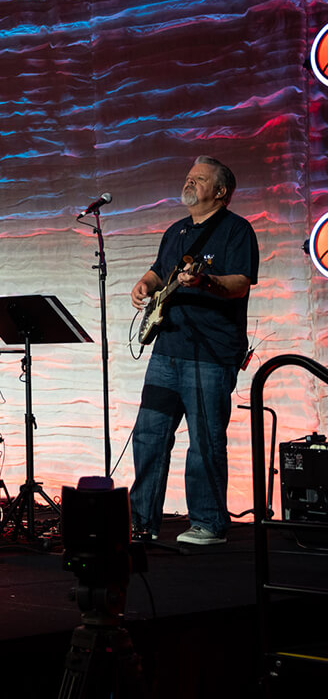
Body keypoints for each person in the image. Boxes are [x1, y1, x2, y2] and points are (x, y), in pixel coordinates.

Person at [128, 156, 258, 546]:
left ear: (220, 192)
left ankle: (209, 523)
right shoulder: (176, 230)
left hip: (210, 352)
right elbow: (159, 270)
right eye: (188, 177)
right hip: (167, 347)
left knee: (204, 441)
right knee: (149, 435)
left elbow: (240, 283)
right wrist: (145, 285)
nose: (189, 182)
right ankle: (141, 522)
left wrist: (204, 282)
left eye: (199, 179)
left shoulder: (237, 230)